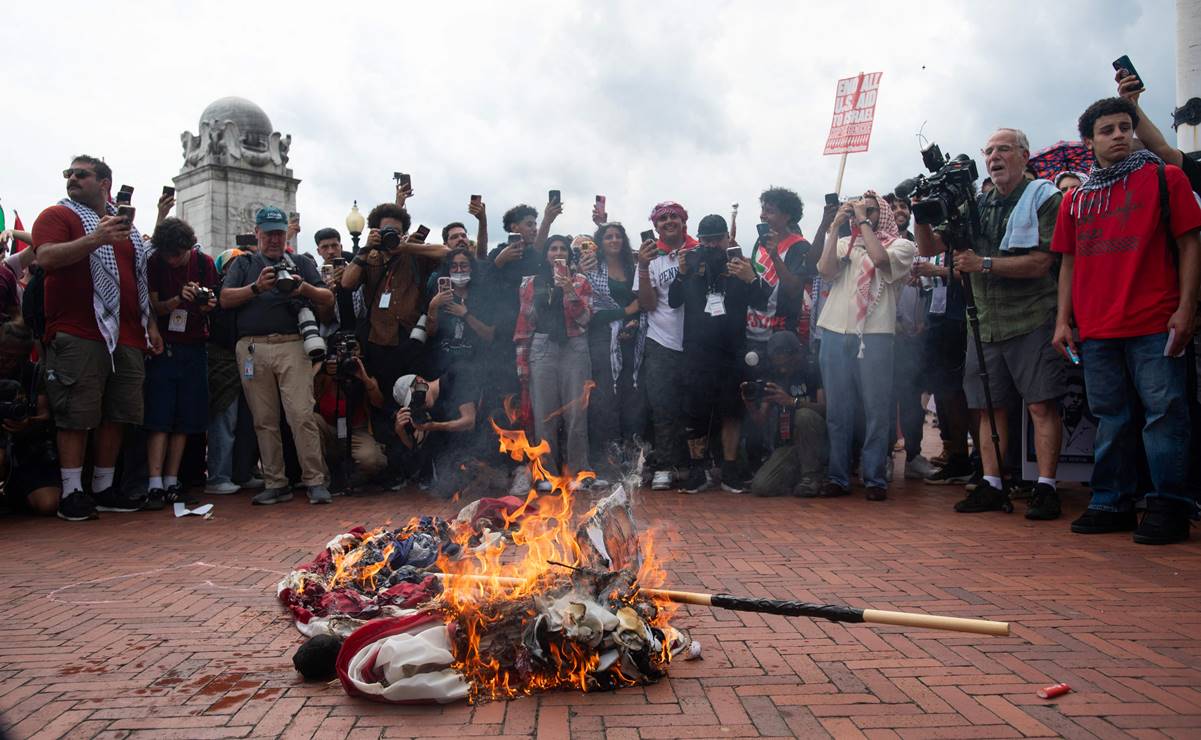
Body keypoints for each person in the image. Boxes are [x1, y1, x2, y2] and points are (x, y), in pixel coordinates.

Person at [1051, 96, 1201, 545]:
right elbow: (1068, 264)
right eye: (1107, 130)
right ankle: (1111, 501)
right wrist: (1063, 321)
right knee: (1111, 417)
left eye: (1124, 127)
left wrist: (1188, 307)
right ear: (1089, 141)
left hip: (1155, 320)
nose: (1118, 135)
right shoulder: (1076, 198)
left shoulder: (1164, 177)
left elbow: (1192, 244)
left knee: (1165, 414)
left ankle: (1169, 505)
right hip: (1097, 329)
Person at [914, 128, 1068, 520]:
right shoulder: (977, 203)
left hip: (1031, 316)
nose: (995, 157)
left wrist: (983, 264)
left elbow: (1041, 262)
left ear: (1024, 155)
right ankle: (992, 482)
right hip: (983, 321)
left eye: (1003, 149)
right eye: (989, 151)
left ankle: (1046, 487)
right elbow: (930, 247)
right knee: (986, 407)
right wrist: (920, 213)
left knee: (1040, 404)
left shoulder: (1044, 197)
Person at [32, 155, 163, 521]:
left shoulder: (127, 229)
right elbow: (46, 258)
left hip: (128, 334)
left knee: (117, 415)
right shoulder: (58, 216)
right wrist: (96, 238)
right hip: (79, 330)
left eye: (81, 174)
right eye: (68, 174)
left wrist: (150, 325)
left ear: (105, 182)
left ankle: (104, 488)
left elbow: (136, 279)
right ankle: (72, 491)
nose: (72, 179)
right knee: (76, 413)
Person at [220, 206, 334, 505]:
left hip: (293, 344)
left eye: (279, 234)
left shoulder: (300, 262)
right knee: (264, 419)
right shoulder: (243, 264)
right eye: (268, 233)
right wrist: (256, 288)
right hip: (252, 347)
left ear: (286, 234)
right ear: (256, 233)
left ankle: (315, 479)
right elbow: (225, 299)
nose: (274, 239)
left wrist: (303, 287)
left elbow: (327, 297)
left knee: (301, 414)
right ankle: (275, 481)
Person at [815, 192, 916, 501]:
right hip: (835, 331)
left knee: (876, 409)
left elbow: (881, 261)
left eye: (871, 210)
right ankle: (838, 476)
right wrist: (834, 228)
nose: (864, 215)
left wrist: (861, 220)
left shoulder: (902, 245)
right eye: (861, 210)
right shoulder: (846, 243)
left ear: (881, 213)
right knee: (838, 410)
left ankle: (874, 478)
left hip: (875, 334)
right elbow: (825, 270)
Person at [669, 214, 768, 493]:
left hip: (732, 349)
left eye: (717, 239)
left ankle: (729, 469)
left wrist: (751, 279)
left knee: (731, 412)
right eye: (706, 240)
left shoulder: (739, 266)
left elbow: (762, 302)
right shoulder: (691, 264)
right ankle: (697, 470)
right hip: (697, 350)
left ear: (728, 239)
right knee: (695, 412)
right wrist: (681, 272)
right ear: (698, 241)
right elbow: (674, 300)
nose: (712, 245)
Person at [143, 217, 219, 509]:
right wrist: (178, 299)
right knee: (159, 416)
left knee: (185, 419)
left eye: (178, 254)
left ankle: (172, 479)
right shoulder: (155, 263)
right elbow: (154, 306)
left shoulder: (204, 263)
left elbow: (212, 303)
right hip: (165, 345)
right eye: (168, 254)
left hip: (195, 345)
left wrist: (206, 303)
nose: (173, 260)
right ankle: (154, 483)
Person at [342, 204, 448, 396]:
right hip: (379, 340)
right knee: (382, 397)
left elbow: (447, 253)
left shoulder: (414, 255)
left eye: (397, 232)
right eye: (386, 231)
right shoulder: (370, 257)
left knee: (414, 396)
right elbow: (347, 283)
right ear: (375, 231)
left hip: (412, 339)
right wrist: (365, 248)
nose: (392, 236)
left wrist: (407, 246)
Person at [514, 235, 593, 476]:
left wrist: (569, 290)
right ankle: (546, 472)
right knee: (543, 413)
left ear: (569, 255)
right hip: (542, 345)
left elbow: (585, 320)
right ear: (545, 254)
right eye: (553, 249)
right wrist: (522, 362)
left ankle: (579, 471)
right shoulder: (530, 283)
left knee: (576, 411)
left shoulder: (580, 281)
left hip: (574, 345)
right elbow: (524, 323)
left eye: (562, 249)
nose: (558, 253)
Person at [635, 201, 698, 490]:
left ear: (684, 221)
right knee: (661, 407)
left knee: (691, 407)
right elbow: (647, 304)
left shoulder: (698, 251)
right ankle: (662, 465)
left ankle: (689, 465)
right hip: (660, 339)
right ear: (656, 225)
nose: (669, 222)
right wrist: (644, 266)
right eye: (663, 219)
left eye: (674, 217)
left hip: (696, 340)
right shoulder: (650, 257)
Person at [581, 224, 645, 475]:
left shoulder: (634, 268)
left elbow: (642, 302)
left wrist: (633, 319)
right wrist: (624, 313)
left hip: (633, 340)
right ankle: (606, 463)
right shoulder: (592, 270)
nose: (614, 240)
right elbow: (590, 312)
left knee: (633, 399)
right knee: (605, 401)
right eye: (608, 236)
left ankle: (631, 460)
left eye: (618, 236)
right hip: (602, 342)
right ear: (600, 242)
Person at [883, 194, 938, 481]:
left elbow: (931, 287)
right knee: (885, 398)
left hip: (915, 337)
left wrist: (923, 323)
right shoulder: (879, 244)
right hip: (886, 335)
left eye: (903, 207)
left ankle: (914, 455)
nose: (899, 211)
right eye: (893, 207)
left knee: (912, 398)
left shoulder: (921, 246)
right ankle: (886, 457)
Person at [203, 248, 263, 495]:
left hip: (249, 361)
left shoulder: (252, 294)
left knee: (248, 421)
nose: (238, 269)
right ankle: (218, 476)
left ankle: (243, 471)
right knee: (224, 420)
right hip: (223, 362)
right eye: (232, 264)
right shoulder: (216, 296)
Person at [744, 331, 827, 498]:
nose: (783, 369)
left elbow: (826, 409)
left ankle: (812, 476)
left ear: (796, 355)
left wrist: (793, 402)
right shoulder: (774, 375)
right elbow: (761, 420)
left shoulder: (812, 369)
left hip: (817, 441)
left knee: (804, 415)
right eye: (778, 364)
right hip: (789, 445)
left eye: (786, 364)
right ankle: (798, 475)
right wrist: (750, 405)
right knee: (761, 487)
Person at [392, 368, 482, 497]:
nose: (418, 403)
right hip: (457, 452)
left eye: (416, 397)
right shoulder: (424, 411)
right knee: (447, 490)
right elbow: (416, 446)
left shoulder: (453, 379)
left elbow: (469, 421)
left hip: (486, 434)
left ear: (420, 381)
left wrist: (434, 426)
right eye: (412, 403)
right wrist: (400, 431)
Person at [0, 322, 59, 516]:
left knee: (48, 504)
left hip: (25, 448)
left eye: (12, 358)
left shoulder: (34, 374)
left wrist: (27, 423)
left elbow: (45, 415)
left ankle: (13, 493)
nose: (4, 361)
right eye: (2, 354)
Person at [746, 187, 814, 354]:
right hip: (751, 333)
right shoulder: (760, 241)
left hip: (781, 337)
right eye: (763, 209)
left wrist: (775, 256)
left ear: (787, 216)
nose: (763, 215)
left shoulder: (800, 246)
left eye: (770, 211)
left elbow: (794, 290)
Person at [314, 335, 388, 488]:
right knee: (309, 419)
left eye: (354, 350)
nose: (349, 355)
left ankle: (354, 479)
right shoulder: (324, 373)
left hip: (356, 431)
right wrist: (324, 369)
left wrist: (364, 378)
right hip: (329, 429)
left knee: (373, 461)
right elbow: (304, 396)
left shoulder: (365, 371)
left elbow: (379, 403)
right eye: (343, 351)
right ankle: (321, 479)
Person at [314, 228, 362, 336]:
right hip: (332, 336)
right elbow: (323, 318)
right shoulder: (315, 276)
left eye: (334, 246)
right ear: (318, 251)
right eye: (325, 247)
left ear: (341, 247)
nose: (331, 251)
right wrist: (329, 292)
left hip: (359, 334)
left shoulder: (356, 271)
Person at [442, 194, 489, 259]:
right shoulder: (439, 266)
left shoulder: (475, 265)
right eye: (454, 237)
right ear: (445, 245)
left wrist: (482, 220)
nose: (461, 239)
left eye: (464, 236)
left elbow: (481, 255)